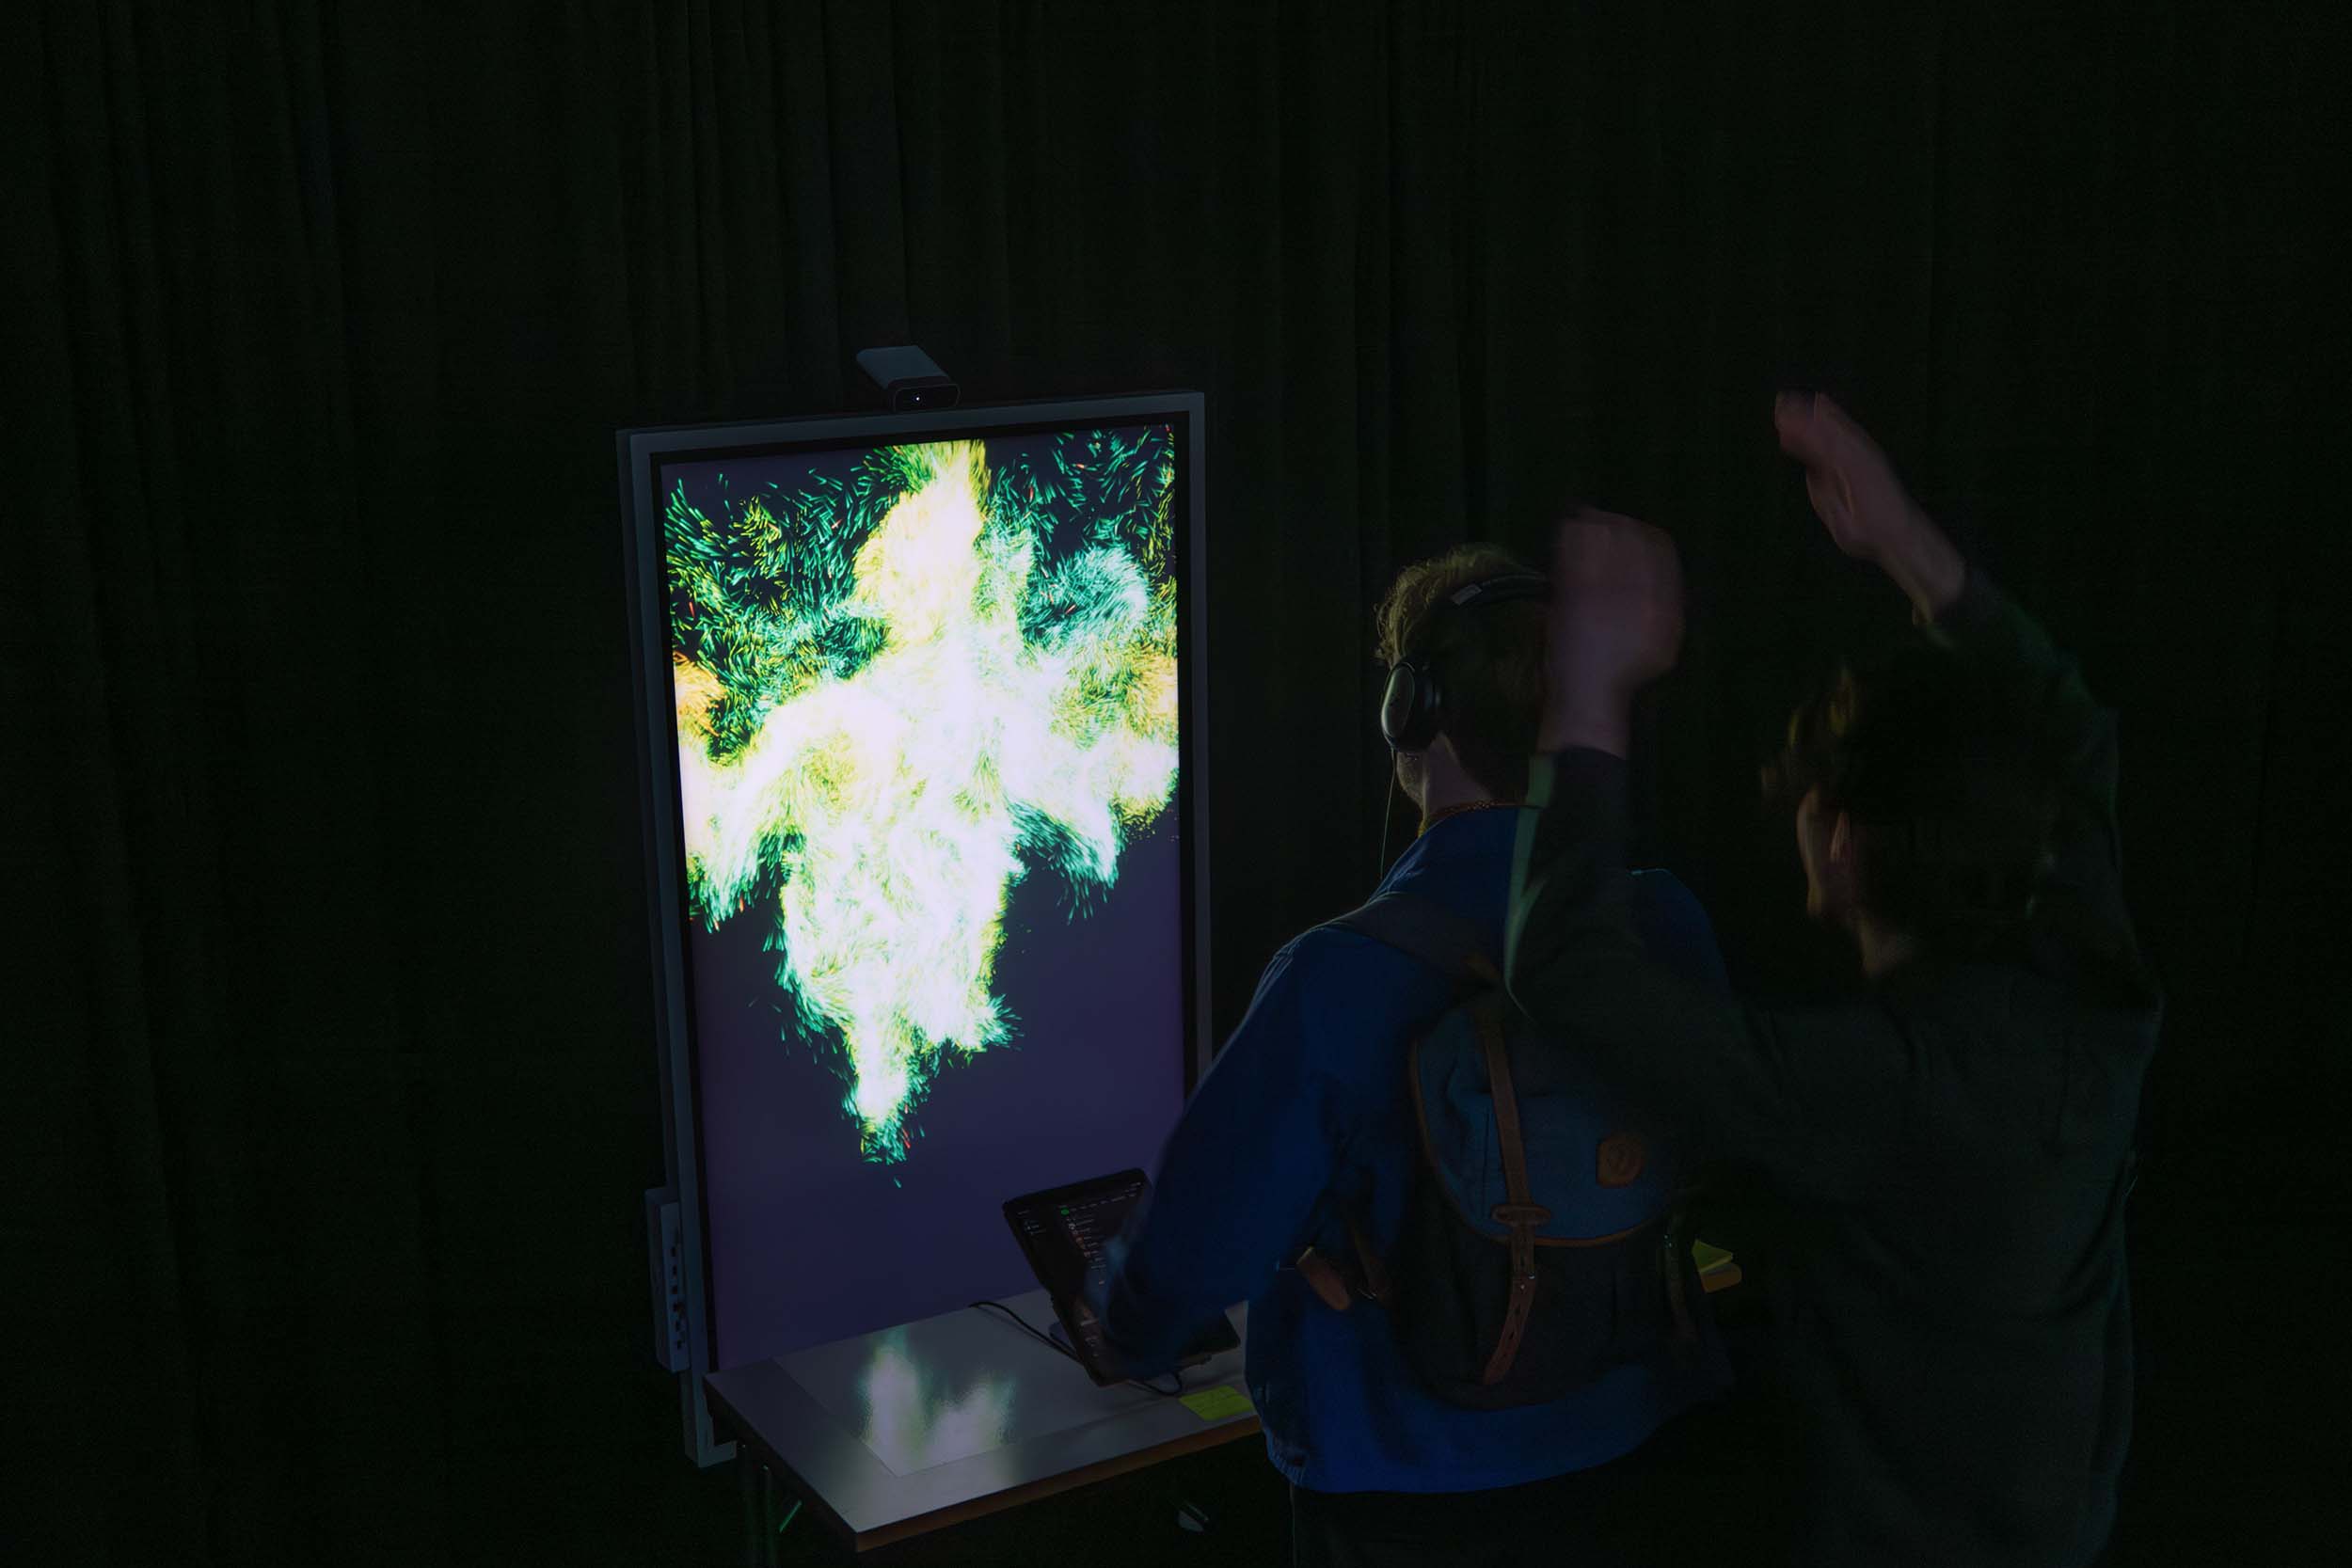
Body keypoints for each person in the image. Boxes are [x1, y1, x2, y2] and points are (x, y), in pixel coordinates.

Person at [1506, 392, 2161, 1565]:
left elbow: (1564, 967)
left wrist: (1588, 687)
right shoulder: (2088, 976)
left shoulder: (1878, 1085)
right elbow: (2073, 735)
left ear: (1846, 843)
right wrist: (1898, 537)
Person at [1089, 544, 1735, 1568]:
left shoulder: (1335, 975)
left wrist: (1121, 1325)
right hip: (1647, 1457)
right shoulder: (1664, 920)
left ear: (1411, 710)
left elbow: (1184, 1264)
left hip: (1409, 1493)